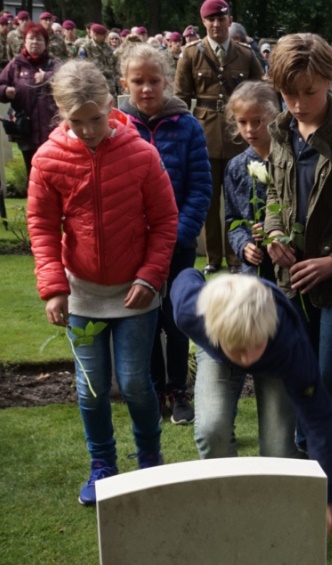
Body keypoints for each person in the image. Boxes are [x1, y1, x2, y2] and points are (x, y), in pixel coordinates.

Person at [27, 60, 178, 505]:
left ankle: (149, 459)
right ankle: (103, 465)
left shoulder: (140, 153)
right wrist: (54, 286)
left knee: (133, 381)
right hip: (82, 294)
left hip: (135, 292)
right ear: (61, 114)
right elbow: (40, 224)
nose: (90, 129)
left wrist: (151, 277)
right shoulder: (48, 159)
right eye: (78, 121)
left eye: (96, 118)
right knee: (91, 386)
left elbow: (166, 220)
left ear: (111, 104)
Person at [261, 33, 332, 520]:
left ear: (331, 80)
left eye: (309, 92)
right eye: (289, 93)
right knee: (302, 374)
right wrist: (271, 236)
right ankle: (316, 461)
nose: (299, 103)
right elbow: (273, 196)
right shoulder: (279, 130)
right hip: (294, 280)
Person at [170, 270, 332, 533]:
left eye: (254, 346)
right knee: (211, 429)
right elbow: (185, 275)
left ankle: (277, 507)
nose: (247, 359)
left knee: (277, 451)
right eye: (238, 350)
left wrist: (325, 497)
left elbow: (318, 419)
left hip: (275, 359)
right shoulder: (190, 312)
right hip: (217, 350)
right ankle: (231, 509)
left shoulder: (291, 343)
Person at [119, 44, 212, 425]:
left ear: (167, 83)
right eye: (137, 81)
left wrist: (180, 233)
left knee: (176, 319)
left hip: (177, 244)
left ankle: (178, 390)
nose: (146, 89)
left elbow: (200, 187)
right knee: (145, 318)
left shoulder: (187, 125)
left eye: (154, 81)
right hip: (134, 246)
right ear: (124, 83)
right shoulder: (118, 126)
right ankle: (155, 388)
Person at [174, 0, 264, 275]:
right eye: (210, 19)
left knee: (241, 199)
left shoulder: (246, 54)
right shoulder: (191, 54)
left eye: (221, 19)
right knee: (209, 202)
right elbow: (180, 99)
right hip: (205, 137)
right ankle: (214, 257)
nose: (216, 24)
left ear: (229, 20)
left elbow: (261, 91)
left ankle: (236, 254)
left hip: (239, 137)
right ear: (203, 22)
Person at [224, 80, 280, 282]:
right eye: (242, 122)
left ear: (274, 116)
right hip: (253, 270)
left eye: (257, 121)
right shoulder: (235, 166)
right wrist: (243, 245)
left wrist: (273, 227)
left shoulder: (287, 160)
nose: (250, 129)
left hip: (286, 264)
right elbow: (233, 219)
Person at [0, 22, 61, 174]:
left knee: (53, 171)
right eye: (31, 38)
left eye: (39, 39)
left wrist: (46, 76)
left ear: (46, 43)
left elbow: (69, 81)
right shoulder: (15, 65)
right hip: (26, 130)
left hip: (51, 129)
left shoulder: (54, 65)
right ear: (24, 41)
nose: (35, 42)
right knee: (32, 173)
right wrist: (5, 90)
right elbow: (0, 85)